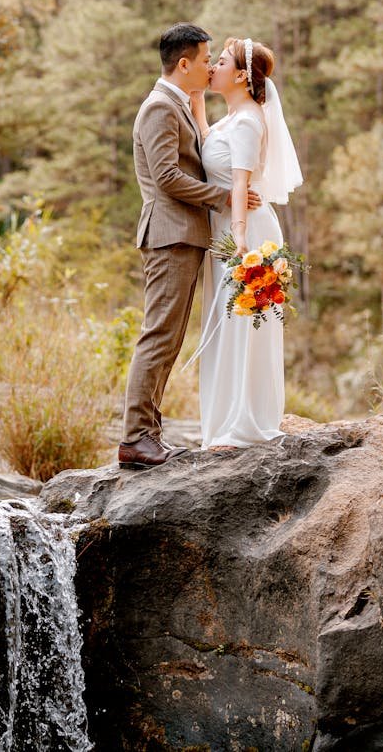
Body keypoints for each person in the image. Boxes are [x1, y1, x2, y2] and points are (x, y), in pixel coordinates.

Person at [117, 24, 262, 470]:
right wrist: (222, 197)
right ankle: (136, 438)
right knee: (159, 336)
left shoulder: (177, 104)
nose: (209, 66)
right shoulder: (159, 108)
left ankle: (147, 435)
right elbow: (167, 178)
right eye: (205, 59)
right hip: (168, 234)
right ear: (184, 64)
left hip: (181, 235)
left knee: (170, 337)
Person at [190, 37, 303, 450]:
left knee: (245, 328)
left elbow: (239, 183)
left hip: (248, 235)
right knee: (227, 327)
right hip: (231, 231)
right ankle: (223, 421)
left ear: (240, 75)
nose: (212, 67)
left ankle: (243, 424)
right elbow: (213, 150)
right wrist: (199, 108)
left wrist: (238, 235)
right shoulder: (232, 118)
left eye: (219, 62)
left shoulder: (250, 120)